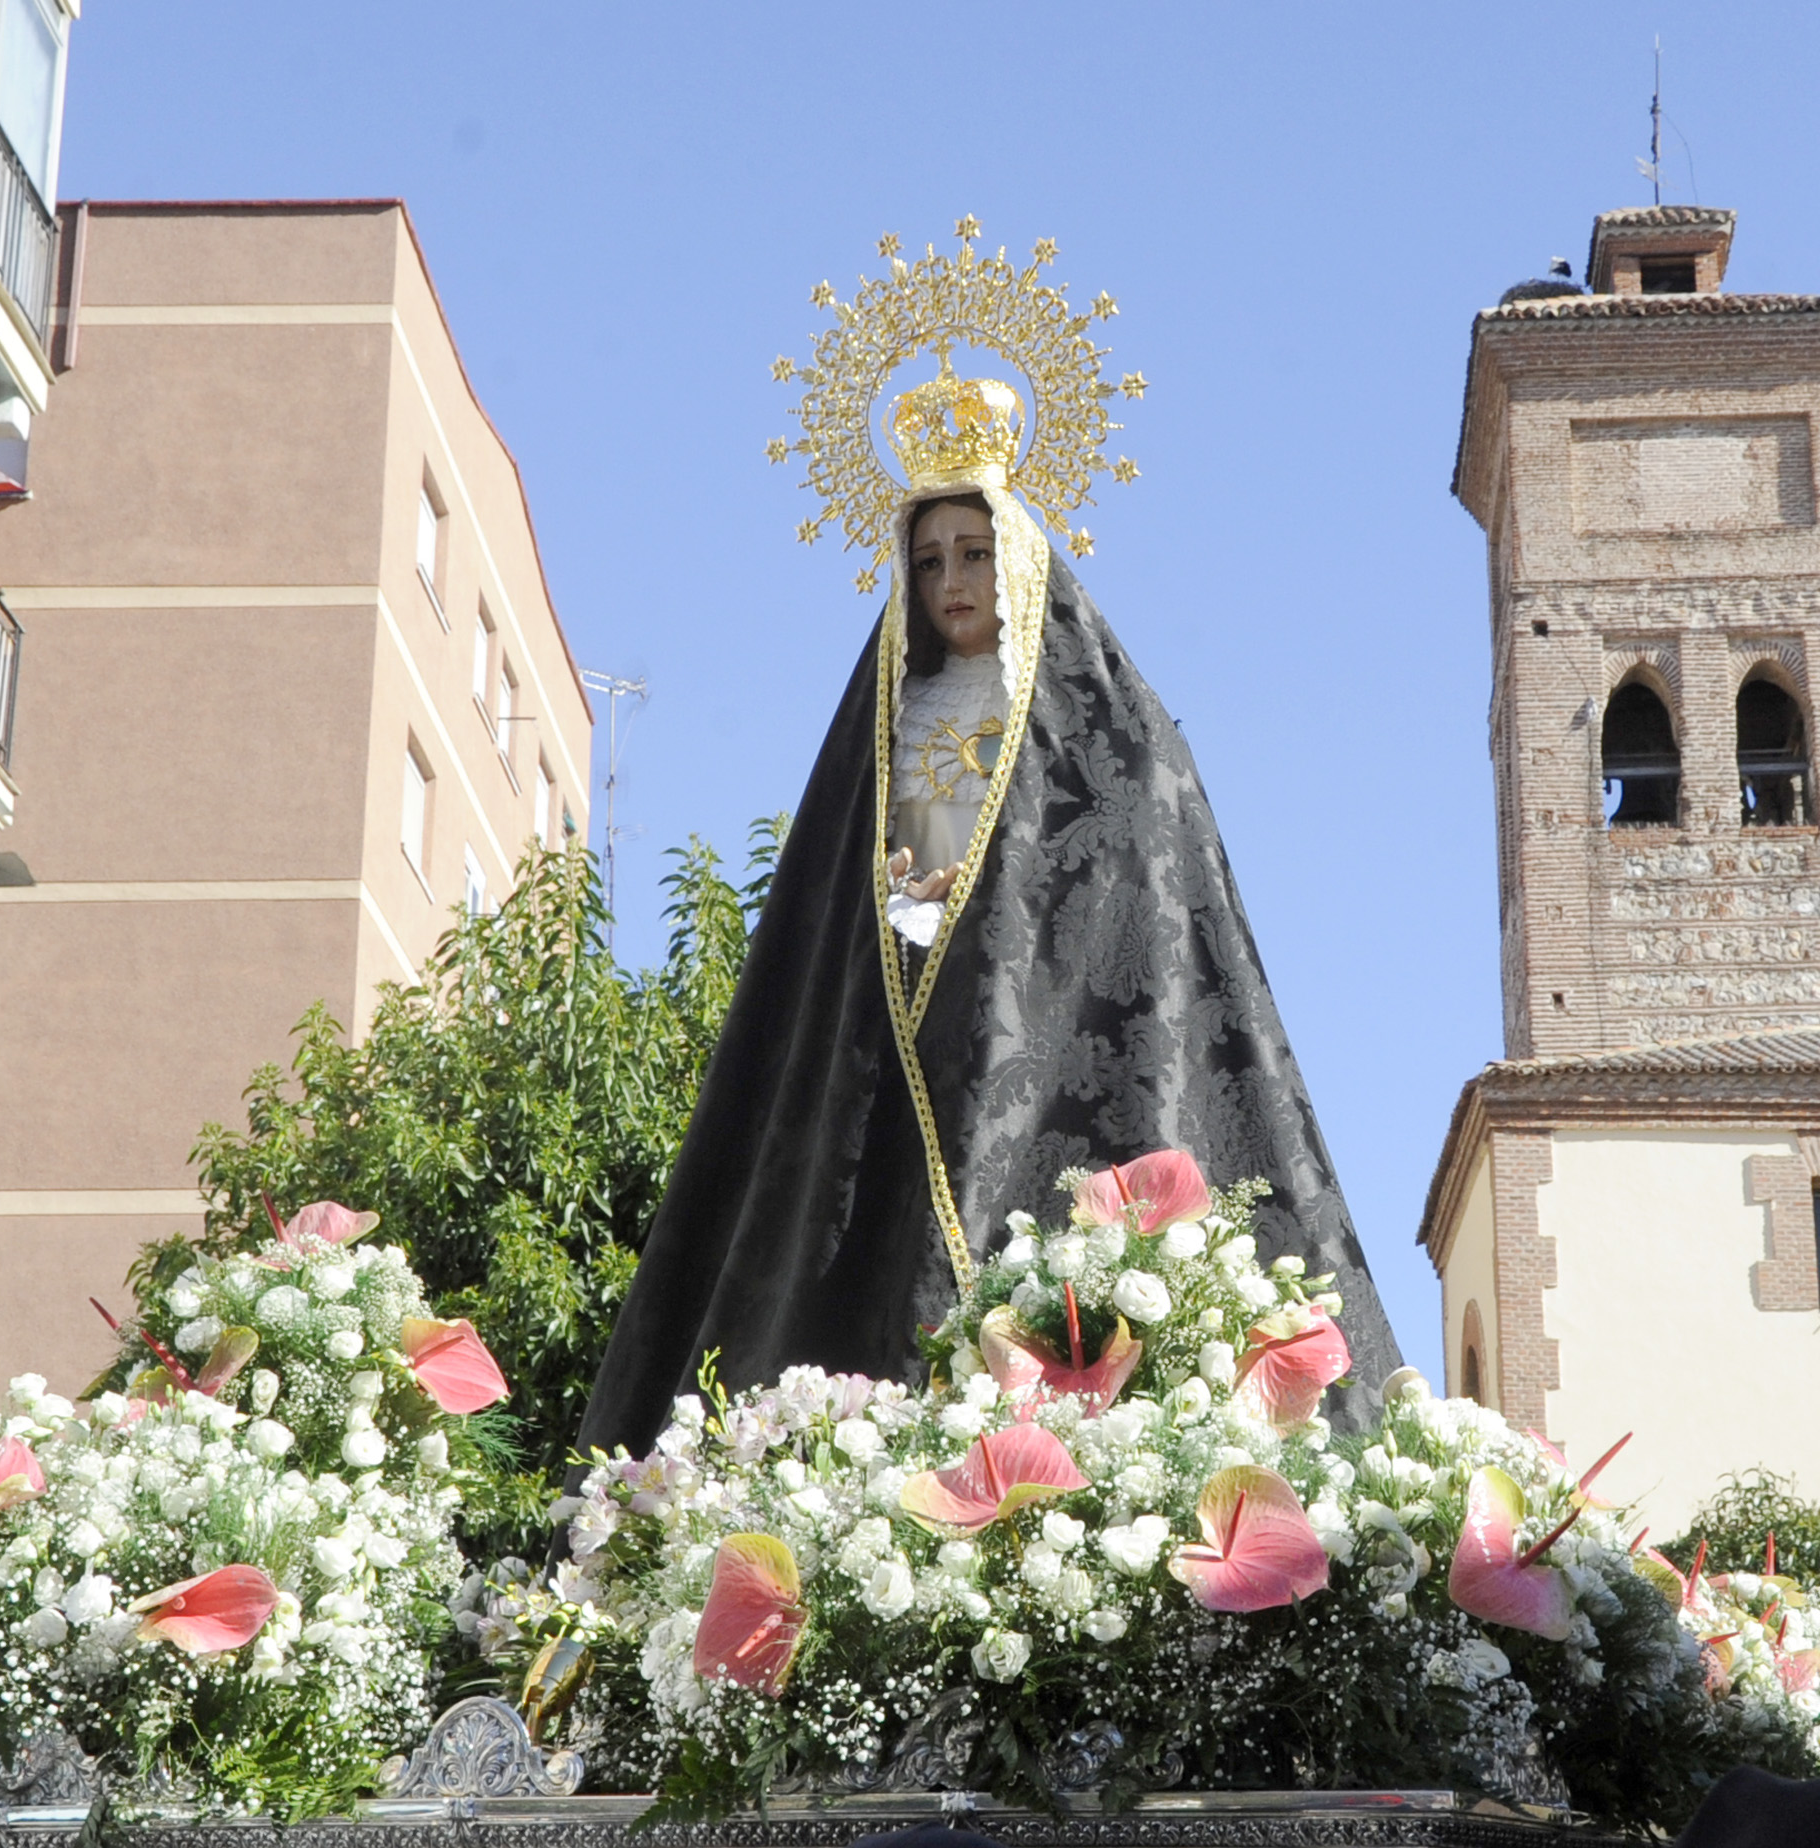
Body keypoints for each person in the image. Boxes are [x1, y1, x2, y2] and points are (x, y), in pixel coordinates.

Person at [576, 356, 1400, 1459]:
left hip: (1059, 1040)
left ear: (1016, 557)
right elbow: (848, 906)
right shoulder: (884, 727)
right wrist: (913, 922)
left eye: (972, 554)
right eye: (927, 562)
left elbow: (1142, 899)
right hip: (905, 1035)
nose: (951, 581)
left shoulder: (1114, 730)